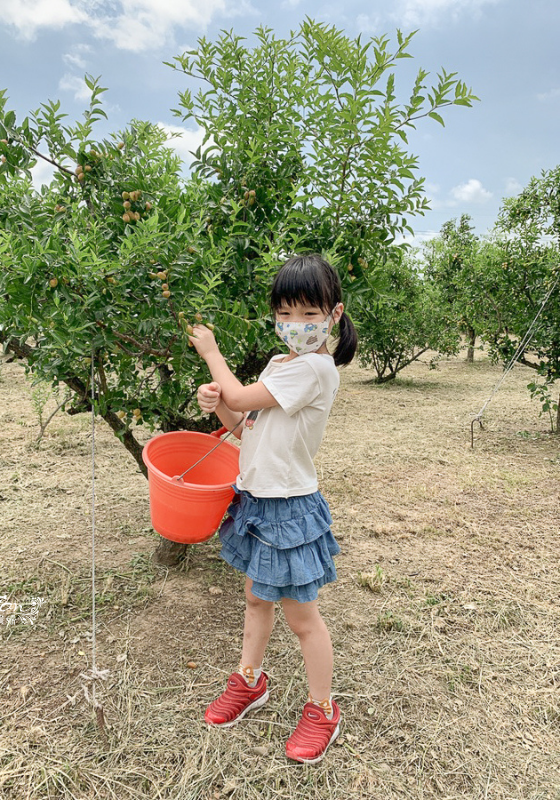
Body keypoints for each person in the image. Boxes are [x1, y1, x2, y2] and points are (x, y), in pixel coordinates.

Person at [186, 253, 356, 765]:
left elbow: (241, 397)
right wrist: (217, 403)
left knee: (303, 620)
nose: (297, 325)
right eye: (286, 313)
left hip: (290, 510)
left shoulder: (315, 369)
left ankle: (323, 708)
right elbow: (244, 426)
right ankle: (250, 680)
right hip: (257, 503)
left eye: (310, 314)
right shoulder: (282, 365)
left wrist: (212, 356)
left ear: (334, 314)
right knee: (257, 601)